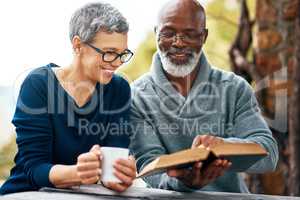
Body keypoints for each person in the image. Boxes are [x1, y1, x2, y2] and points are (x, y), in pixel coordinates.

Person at [129, 0, 278, 193]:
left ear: (204, 36)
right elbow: (148, 166)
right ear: (156, 32)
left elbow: (269, 155)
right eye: (168, 33)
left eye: (190, 34)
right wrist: (184, 182)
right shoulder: (136, 96)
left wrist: (224, 148)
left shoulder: (234, 88)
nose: (178, 42)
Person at [0, 2, 136, 195]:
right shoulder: (38, 84)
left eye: (122, 54)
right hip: (27, 192)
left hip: (83, 194)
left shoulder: (119, 89)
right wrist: (77, 172)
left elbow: (112, 165)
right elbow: (34, 170)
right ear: (78, 45)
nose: (117, 63)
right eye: (109, 53)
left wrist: (120, 174)